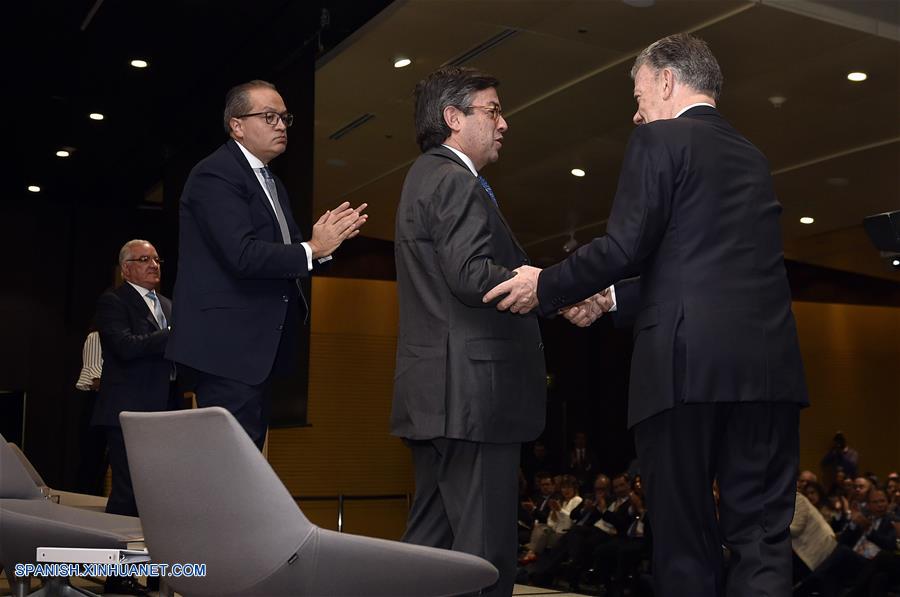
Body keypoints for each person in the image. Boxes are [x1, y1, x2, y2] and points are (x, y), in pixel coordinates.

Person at [484, 33, 809, 596]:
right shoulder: (752, 157)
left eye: (638, 96)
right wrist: (609, 300)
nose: (636, 114)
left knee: (685, 543)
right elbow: (704, 266)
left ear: (666, 80)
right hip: (768, 372)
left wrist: (547, 284)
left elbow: (625, 246)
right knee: (762, 539)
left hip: (683, 370)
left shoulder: (661, 138)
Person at [391, 66, 547, 597]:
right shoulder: (455, 180)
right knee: (485, 557)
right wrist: (537, 284)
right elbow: (471, 274)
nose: (504, 123)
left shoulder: (423, 176)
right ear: (453, 118)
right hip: (472, 397)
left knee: (429, 549)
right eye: (493, 111)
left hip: (437, 398)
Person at [166, 79, 367, 449]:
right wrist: (312, 248)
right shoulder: (216, 173)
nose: (281, 126)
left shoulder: (271, 182)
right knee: (229, 464)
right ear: (237, 126)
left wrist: (324, 247)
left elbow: (289, 255)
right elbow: (242, 255)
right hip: (226, 348)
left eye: (285, 118)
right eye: (269, 117)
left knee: (246, 461)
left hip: (255, 349)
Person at [92, 239, 178, 596]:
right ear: (126, 268)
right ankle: (117, 578)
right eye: (144, 259)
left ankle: (157, 578)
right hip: (128, 412)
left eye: (157, 259)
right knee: (127, 495)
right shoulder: (113, 301)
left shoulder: (170, 306)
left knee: (160, 498)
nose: (154, 265)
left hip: (166, 415)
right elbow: (125, 347)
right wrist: (169, 336)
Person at [73, 325, 106, 496]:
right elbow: (94, 381)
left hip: (122, 403)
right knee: (92, 463)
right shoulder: (96, 337)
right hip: (99, 405)